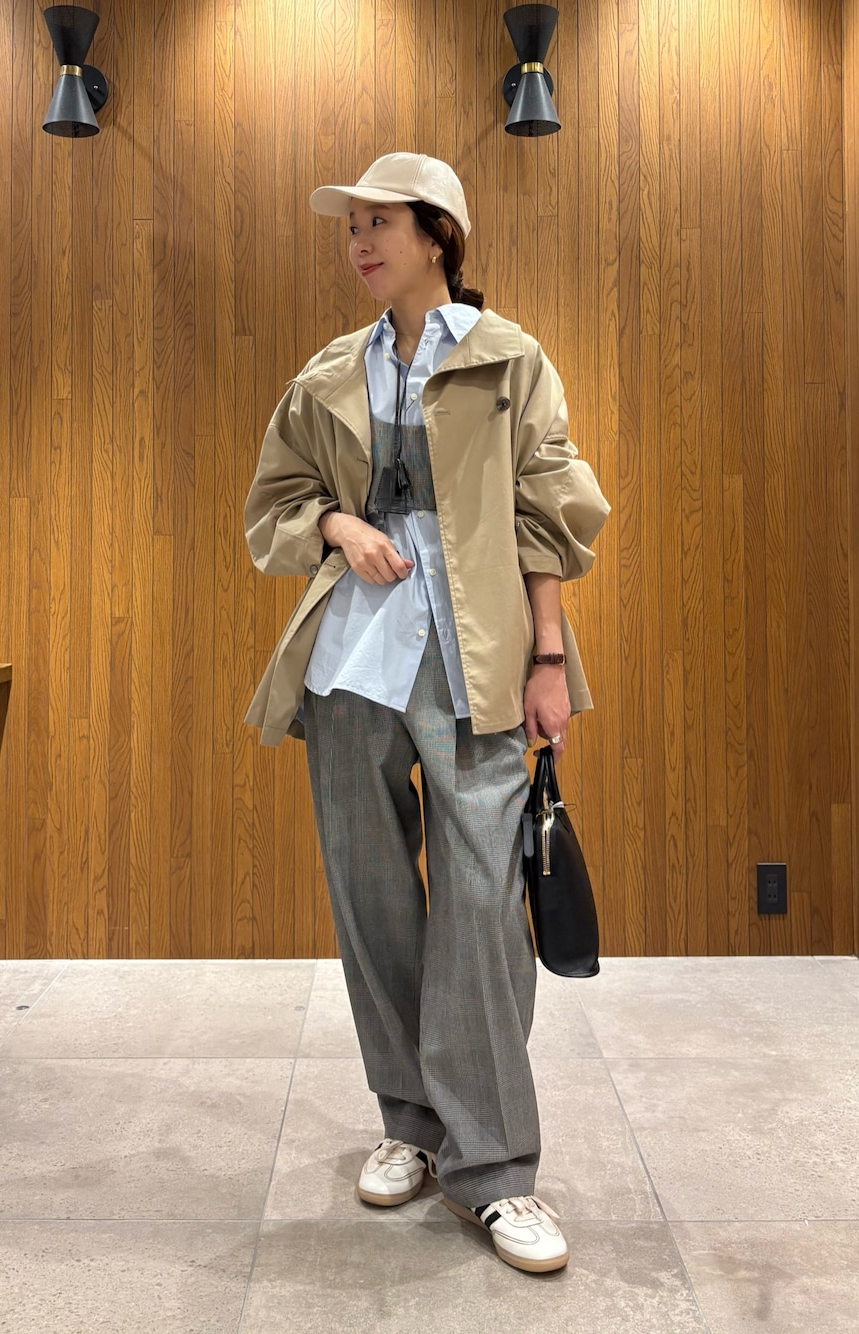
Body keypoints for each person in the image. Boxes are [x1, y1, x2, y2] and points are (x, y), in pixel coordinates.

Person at [244, 152, 609, 1274]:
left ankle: (494, 1167)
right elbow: (277, 499)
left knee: (483, 909)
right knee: (371, 899)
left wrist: (547, 657)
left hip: (474, 659)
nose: (359, 243)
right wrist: (339, 528)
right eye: (350, 227)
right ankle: (409, 1120)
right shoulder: (328, 372)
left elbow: (549, 513)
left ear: (438, 234)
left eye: (380, 223)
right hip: (352, 663)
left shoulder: (508, 360)